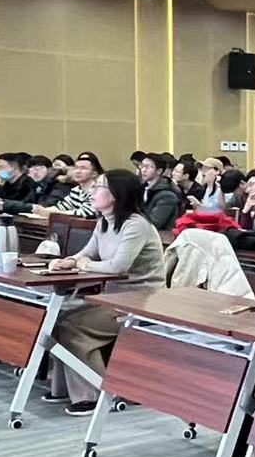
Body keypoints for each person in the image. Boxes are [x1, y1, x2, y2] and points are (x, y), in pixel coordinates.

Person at [42, 170, 167, 414]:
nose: (92, 192)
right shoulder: (104, 222)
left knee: (72, 326)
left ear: (116, 195)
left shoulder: (136, 225)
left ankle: (96, 394)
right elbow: (89, 252)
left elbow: (119, 266)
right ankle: (65, 390)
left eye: (99, 187)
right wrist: (71, 261)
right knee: (57, 319)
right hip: (112, 298)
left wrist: (85, 265)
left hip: (139, 302)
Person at [0, 155, 66, 215]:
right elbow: (25, 202)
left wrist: (4, 203)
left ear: (50, 169)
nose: (35, 172)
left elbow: (44, 207)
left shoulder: (59, 185)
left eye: (38, 168)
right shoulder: (38, 185)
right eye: (32, 169)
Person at [34, 152, 102, 217]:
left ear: (94, 174)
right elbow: (62, 206)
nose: (78, 171)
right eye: (76, 168)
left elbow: (86, 213)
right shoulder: (76, 190)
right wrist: (43, 210)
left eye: (83, 168)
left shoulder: (98, 190)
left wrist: (56, 213)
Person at [137, 152, 185, 230]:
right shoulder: (142, 188)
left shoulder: (167, 195)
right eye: (142, 166)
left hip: (161, 235)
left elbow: (155, 223)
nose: (144, 170)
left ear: (159, 171)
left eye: (148, 167)